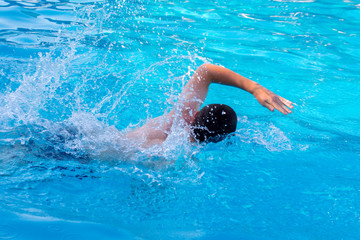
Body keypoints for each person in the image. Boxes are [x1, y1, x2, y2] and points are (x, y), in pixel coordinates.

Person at [125, 64, 293, 147]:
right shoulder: (174, 154)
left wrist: (255, 89)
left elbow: (206, 71)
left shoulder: (179, 116)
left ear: (194, 115)